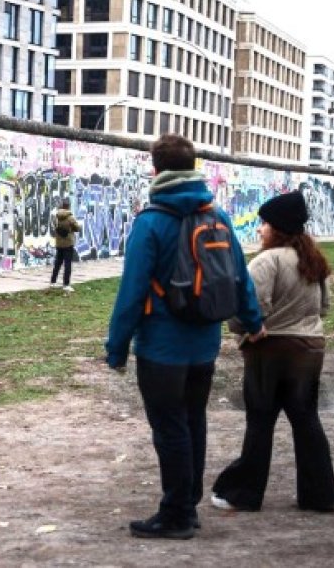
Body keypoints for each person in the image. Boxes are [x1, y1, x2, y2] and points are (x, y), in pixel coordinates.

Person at [104, 134, 265, 540]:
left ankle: (176, 512)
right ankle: (187, 504)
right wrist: (253, 321)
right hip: (204, 344)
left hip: (161, 347)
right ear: (193, 167)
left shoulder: (151, 221)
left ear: (155, 169)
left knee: (169, 426)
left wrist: (117, 347)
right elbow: (238, 277)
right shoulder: (218, 215)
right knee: (193, 420)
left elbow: (132, 291)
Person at [211, 191, 334, 513]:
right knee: (306, 419)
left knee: (260, 421)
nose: (260, 229)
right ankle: (321, 495)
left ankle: (244, 493)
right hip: (310, 350)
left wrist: (240, 328)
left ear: (278, 228)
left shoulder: (266, 262)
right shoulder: (314, 261)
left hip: (269, 351)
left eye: (264, 223)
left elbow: (249, 308)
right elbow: (324, 308)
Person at [50, 198, 81, 292]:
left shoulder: (56, 216)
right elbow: (77, 228)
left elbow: (54, 227)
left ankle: (53, 281)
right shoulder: (70, 217)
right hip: (68, 243)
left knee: (57, 263)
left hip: (59, 243)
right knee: (67, 264)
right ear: (69, 206)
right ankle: (66, 284)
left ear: (62, 205)